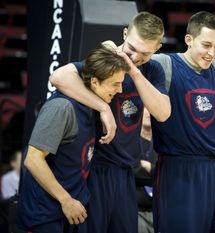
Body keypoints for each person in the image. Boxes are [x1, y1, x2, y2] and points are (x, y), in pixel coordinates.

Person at [49, 12, 170, 233]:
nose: (134, 57)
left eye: (144, 53)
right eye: (131, 48)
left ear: (157, 48)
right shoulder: (108, 57)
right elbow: (58, 77)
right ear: (125, 33)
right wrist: (103, 107)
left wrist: (133, 72)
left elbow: (162, 113)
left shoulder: (152, 70)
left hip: (125, 172)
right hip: (94, 167)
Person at [151, 11, 215, 233]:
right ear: (189, 39)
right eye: (206, 45)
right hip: (179, 171)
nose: (211, 53)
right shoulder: (165, 63)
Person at [16, 44, 130, 233]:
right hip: (45, 214)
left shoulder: (91, 106)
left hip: (72, 211)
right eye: (115, 84)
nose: (119, 90)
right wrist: (65, 200)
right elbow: (33, 159)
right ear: (94, 82)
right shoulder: (62, 108)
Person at [133, 108, 156, 233]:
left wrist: (148, 166)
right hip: (136, 210)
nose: (148, 112)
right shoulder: (131, 141)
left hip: (158, 211)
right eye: (144, 109)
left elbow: (166, 174)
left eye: (150, 109)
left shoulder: (161, 143)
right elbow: (130, 171)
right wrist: (154, 174)